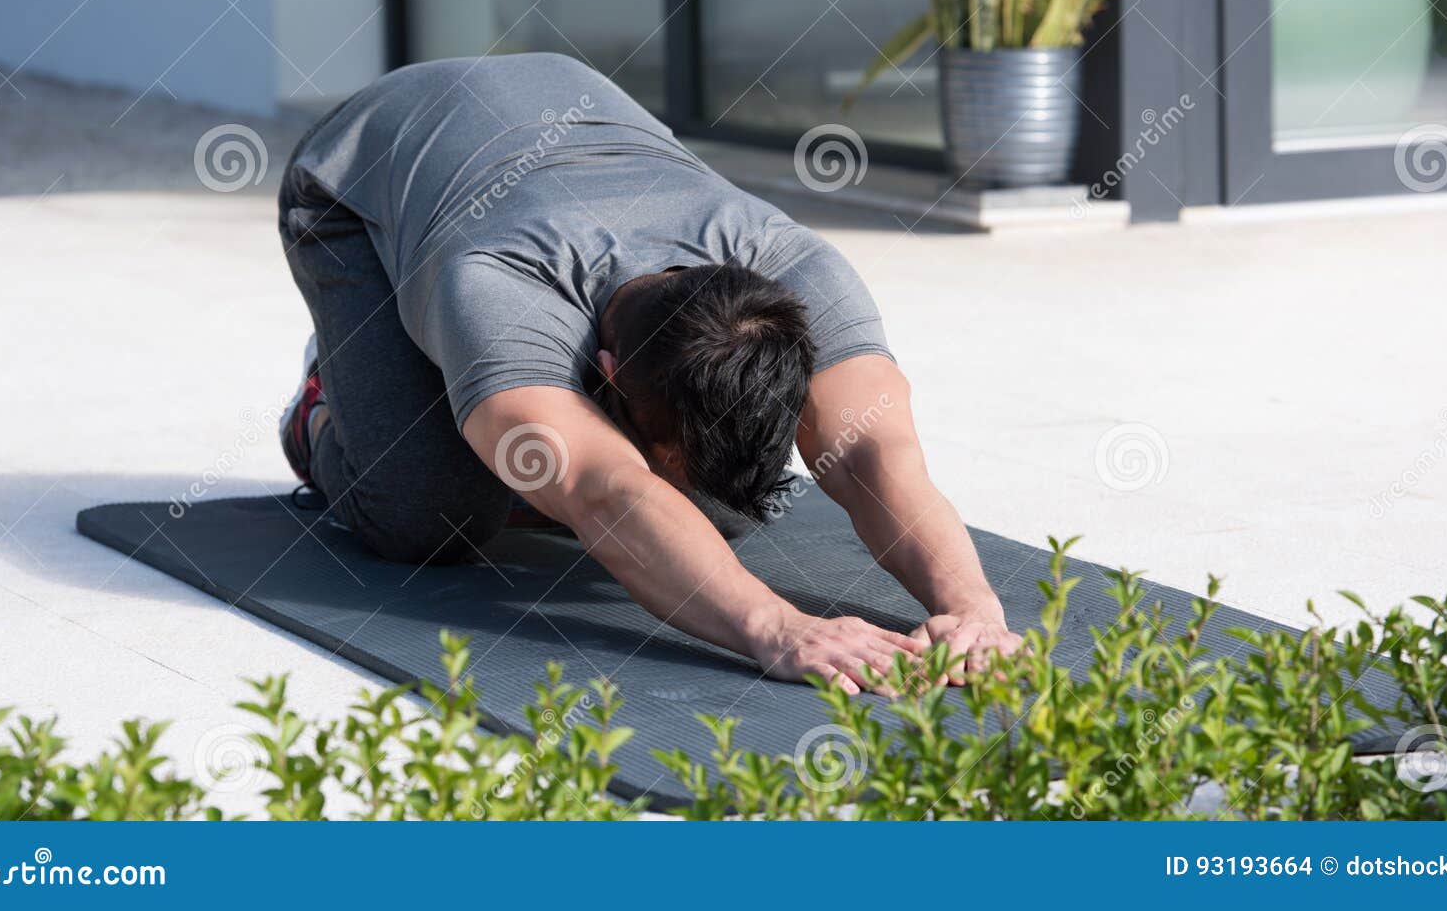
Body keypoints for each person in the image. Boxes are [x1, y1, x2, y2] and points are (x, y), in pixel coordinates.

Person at [276, 53, 1019, 694]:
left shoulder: (799, 274)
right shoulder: (499, 288)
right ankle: (326, 403)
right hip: (359, 175)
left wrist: (973, 609)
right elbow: (609, 492)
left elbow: (871, 453)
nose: (667, 476)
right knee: (432, 518)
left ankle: (502, 411)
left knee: (723, 510)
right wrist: (779, 629)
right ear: (603, 375)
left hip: (568, 106)